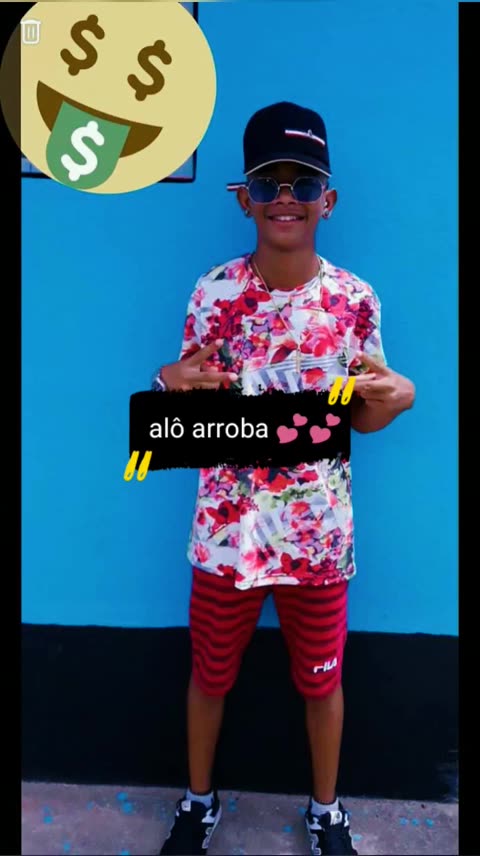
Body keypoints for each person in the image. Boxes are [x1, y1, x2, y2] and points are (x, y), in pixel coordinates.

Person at [153, 101, 415, 856]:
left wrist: (397, 400)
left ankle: (326, 811)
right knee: (209, 677)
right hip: (226, 538)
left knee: (323, 682)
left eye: (305, 183)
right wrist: (166, 384)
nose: (287, 198)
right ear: (245, 198)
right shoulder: (212, 294)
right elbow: (187, 417)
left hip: (319, 539)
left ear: (329, 200)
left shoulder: (355, 301)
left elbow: (360, 417)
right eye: (269, 183)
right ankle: (198, 802)